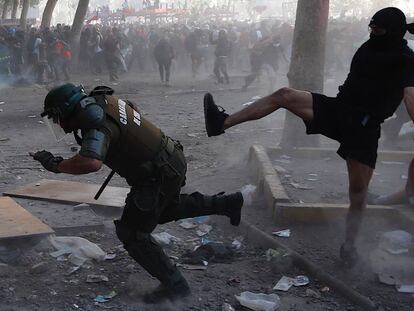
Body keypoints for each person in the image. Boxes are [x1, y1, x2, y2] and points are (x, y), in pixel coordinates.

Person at [203, 7, 414, 266]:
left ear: (390, 31)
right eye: (370, 27)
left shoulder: (406, 58)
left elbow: (410, 96)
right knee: (283, 95)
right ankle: (221, 123)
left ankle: (349, 247)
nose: (372, 32)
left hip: (364, 129)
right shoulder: (368, 47)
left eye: (377, 29)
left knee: (358, 193)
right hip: (339, 110)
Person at [32, 83, 244, 303]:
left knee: (132, 232)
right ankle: (227, 203)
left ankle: (175, 285)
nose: (57, 122)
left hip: (156, 174)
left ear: (67, 109)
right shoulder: (104, 101)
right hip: (170, 160)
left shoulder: (94, 122)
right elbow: (133, 108)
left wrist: (57, 165)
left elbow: (92, 162)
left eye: (57, 117)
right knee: (161, 211)